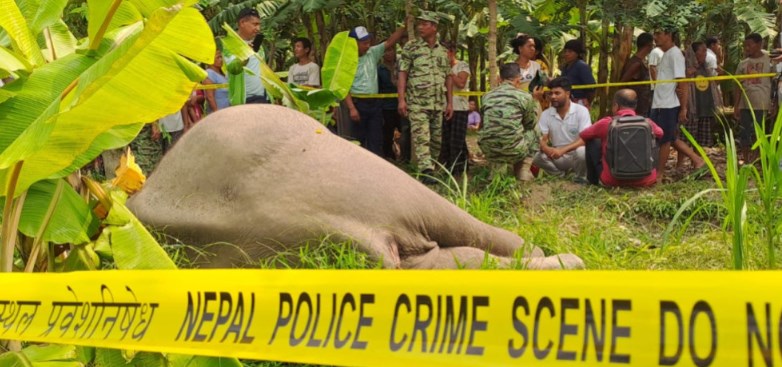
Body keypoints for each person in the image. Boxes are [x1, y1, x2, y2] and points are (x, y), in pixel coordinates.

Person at [398, 10, 453, 183]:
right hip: (417, 103)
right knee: (422, 137)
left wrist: (450, 102)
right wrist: (401, 99)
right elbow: (403, 73)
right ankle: (425, 171)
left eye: (424, 24)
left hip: (437, 103)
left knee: (436, 140)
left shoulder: (443, 51)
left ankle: (432, 171)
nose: (420, 27)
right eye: (419, 23)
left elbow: (449, 77)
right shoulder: (411, 47)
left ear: (434, 27)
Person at [650, 25, 704, 182]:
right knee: (669, 138)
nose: (655, 37)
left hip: (668, 104)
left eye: (659, 33)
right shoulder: (667, 54)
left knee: (666, 139)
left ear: (669, 35)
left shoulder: (675, 54)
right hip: (659, 103)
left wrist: (683, 108)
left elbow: (683, 83)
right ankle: (697, 160)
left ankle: (659, 174)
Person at [343, 25, 406, 156]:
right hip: (358, 103)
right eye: (364, 43)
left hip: (375, 104)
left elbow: (390, 42)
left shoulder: (372, 53)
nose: (367, 45)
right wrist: (351, 108)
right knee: (358, 139)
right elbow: (344, 86)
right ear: (354, 43)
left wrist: (404, 26)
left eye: (368, 42)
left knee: (376, 139)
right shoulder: (346, 60)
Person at [580, 89, 664, 187]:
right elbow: (661, 133)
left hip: (612, 181)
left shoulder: (606, 123)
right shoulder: (647, 123)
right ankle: (649, 174)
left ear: (616, 106)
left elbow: (584, 135)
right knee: (655, 137)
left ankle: (592, 181)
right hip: (645, 181)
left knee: (592, 140)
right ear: (635, 106)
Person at [478, 63, 539, 182]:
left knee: (493, 133)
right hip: (513, 150)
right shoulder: (525, 97)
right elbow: (530, 124)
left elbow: (484, 124)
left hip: (489, 149)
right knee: (535, 129)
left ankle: (496, 171)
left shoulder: (486, 96)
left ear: (499, 79)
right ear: (519, 79)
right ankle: (523, 170)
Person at [532, 77, 590, 182]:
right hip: (556, 156)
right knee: (535, 155)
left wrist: (562, 150)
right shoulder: (546, 114)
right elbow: (541, 138)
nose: (553, 97)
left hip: (575, 156)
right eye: (551, 93)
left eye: (557, 93)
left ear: (567, 94)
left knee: (582, 151)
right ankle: (559, 175)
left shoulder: (581, 111)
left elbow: (584, 139)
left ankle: (580, 178)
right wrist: (546, 149)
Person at [734, 33, 772, 163]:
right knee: (745, 133)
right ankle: (746, 159)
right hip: (745, 104)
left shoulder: (770, 60)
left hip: (761, 103)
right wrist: (736, 105)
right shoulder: (743, 64)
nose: (747, 48)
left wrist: (773, 103)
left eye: (749, 45)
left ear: (759, 44)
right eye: (745, 45)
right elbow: (738, 85)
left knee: (759, 132)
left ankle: (755, 158)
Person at [224, 8, 267, 105]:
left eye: (259, 24)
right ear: (242, 22)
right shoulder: (229, 44)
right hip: (243, 100)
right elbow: (232, 68)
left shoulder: (259, 47)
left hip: (262, 98)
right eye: (255, 24)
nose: (258, 28)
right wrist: (245, 56)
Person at [439, 41, 470, 174]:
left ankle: (457, 169)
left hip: (460, 108)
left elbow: (461, 83)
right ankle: (451, 166)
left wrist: (449, 72)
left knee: (456, 140)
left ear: (451, 52)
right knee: (446, 139)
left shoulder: (462, 66)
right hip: (443, 106)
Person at [378, 44, 409, 162]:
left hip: (403, 104)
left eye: (391, 50)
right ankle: (389, 157)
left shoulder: (402, 65)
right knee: (387, 133)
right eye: (386, 51)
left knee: (405, 131)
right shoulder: (379, 69)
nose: (389, 53)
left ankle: (405, 157)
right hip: (387, 106)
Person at [685, 41, 720, 147]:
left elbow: (713, 86)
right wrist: (687, 75)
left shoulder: (706, 68)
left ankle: (698, 161)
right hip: (692, 110)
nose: (705, 53)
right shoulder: (686, 68)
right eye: (703, 50)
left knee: (701, 142)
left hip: (705, 108)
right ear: (694, 53)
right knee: (687, 139)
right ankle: (681, 163)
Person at [619, 32, 653, 116]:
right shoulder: (636, 64)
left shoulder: (639, 61)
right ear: (649, 45)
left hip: (641, 105)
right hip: (637, 107)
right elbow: (622, 83)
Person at [560, 39, 596, 109]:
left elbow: (591, 88)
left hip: (580, 102)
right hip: (567, 102)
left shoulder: (582, 66)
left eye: (570, 51)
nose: (566, 54)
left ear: (577, 53)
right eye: (565, 51)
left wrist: (587, 102)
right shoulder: (565, 67)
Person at [203, 48, 230, 113]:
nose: (221, 60)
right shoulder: (209, 73)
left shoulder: (222, 74)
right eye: (218, 57)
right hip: (218, 113)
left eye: (221, 57)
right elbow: (210, 97)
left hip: (227, 111)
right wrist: (217, 113)